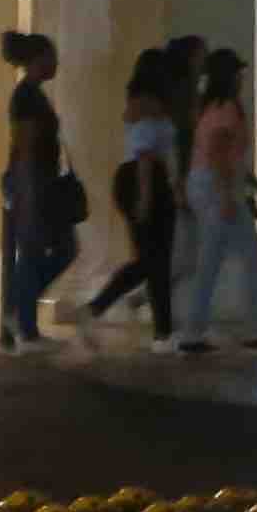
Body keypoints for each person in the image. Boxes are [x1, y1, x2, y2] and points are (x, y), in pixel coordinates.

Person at [81, 45, 184, 347]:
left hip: (143, 180)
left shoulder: (143, 105)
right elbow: (146, 155)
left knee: (152, 261)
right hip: (143, 180)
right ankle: (162, 333)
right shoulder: (147, 107)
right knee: (155, 262)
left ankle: (100, 309)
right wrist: (146, 196)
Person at [176, 44, 257, 344]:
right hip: (216, 187)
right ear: (229, 76)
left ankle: (199, 331)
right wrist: (226, 196)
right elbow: (219, 153)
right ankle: (249, 329)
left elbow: (227, 154)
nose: (241, 78)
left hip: (211, 184)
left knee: (219, 258)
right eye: (238, 73)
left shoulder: (210, 107)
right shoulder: (227, 108)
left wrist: (255, 185)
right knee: (243, 256)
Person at [0, 29, 79, 349]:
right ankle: (23, 322)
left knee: (50, 250)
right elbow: (25, 145)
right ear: (37, 60)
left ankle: (19, 312)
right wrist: (27, 190)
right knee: (41, 251)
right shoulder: (27, 97)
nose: (55, 62)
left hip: (38, 180)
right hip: (33, 181)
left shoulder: (32, 94)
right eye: (51, 57)